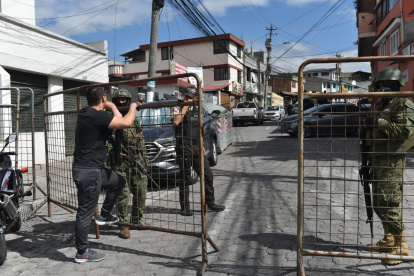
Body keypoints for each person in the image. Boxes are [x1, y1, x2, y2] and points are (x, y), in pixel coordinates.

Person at [72, 86, 140, 263]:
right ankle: (82, 252)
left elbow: (116, 119)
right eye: (106, 98)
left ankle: (104, 215)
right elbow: (125, 123)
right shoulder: (97, 116)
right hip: (89, 172)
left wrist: (110, 106)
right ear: (103, 98)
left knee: (119, 181)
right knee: (84, 213)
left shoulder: (84, 113)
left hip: (91, 170)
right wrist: (132, 107)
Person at [360, 67, 414, 265]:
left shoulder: (403, 103)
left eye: (387, 84)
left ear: (396, 85)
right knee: (378, 203)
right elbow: (373, 126)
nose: (383, 87)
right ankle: (389, 239)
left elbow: (405, 131)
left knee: (388, 202)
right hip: (376, 158)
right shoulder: (380, 104)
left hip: (391, 161)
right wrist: (367, 124)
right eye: (380, 84)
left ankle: (402, 246)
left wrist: (379, 122)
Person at [172, 87, 225, 216]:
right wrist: (185, 106)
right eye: (186, 97)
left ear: (195, 98)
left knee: (208, 174)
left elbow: (200, 129)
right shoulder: (177, 108)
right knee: (185, 178)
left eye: (190, 97)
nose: (188, 99)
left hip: (196, 147)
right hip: (183, 147)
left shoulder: (198, 110)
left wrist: (201, 144)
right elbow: (176, 122)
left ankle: (210, 203)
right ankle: (185, 207)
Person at [108, 88, 150, 239]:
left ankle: (137, 220)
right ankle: (124, 224)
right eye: (118, 100)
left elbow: (141, 139)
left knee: (141, 190)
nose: (121, 102)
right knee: (123, 194)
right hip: (119, 162)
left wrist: (145, 158)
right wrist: (115, 151)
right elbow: (106, 140)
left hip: (136, 159)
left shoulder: (134, 118)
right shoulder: (111, 118)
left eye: (124, 100)